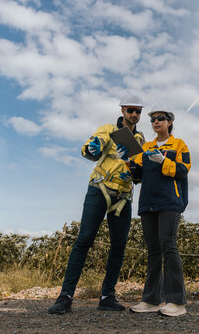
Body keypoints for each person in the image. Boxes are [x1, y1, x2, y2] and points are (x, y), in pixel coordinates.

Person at [48, 93, 145, 314]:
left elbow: (139, 175)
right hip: (99, 189)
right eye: (130, 110)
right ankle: (65, 297)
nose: (134, 114)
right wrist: (92, 148)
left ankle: (107, 296)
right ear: (122, 110)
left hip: (123, 196)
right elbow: (90, 149)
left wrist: (134, 168)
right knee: (84, 240)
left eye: (138, 111)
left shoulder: (140, 140)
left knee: (118, 247)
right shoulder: (107, 129)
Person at [117, 106, 191, 317]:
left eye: (161, 118)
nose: (156, 122)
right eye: (153, 120)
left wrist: (164, 160)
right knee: (153, 252)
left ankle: (176, 302)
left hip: (170, 202)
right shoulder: (146, 147)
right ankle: (151, 300)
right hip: (148, 203)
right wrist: (126, 162)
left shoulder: (179, 144)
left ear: (169, 122)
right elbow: (138, 175)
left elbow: (183, 170)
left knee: (168, 247)